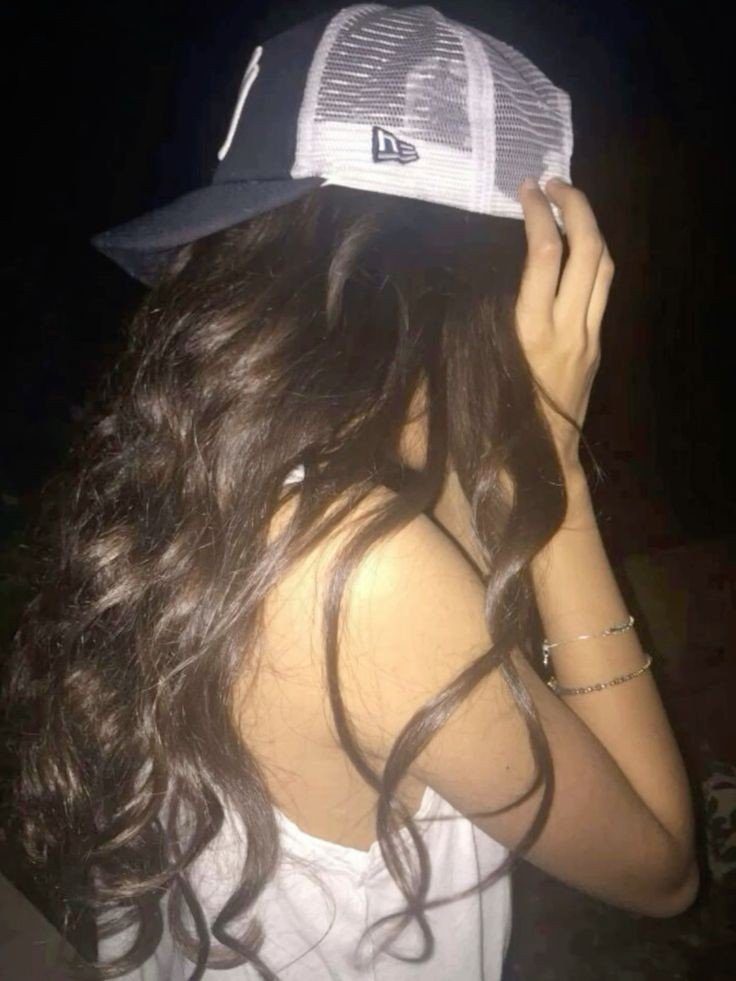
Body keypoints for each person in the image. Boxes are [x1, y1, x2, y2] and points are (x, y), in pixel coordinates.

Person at [1, 4, 699, 980]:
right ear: (521, 283)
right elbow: (661, 868)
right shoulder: (360, 565)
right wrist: (558, 469)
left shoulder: (219, 478)